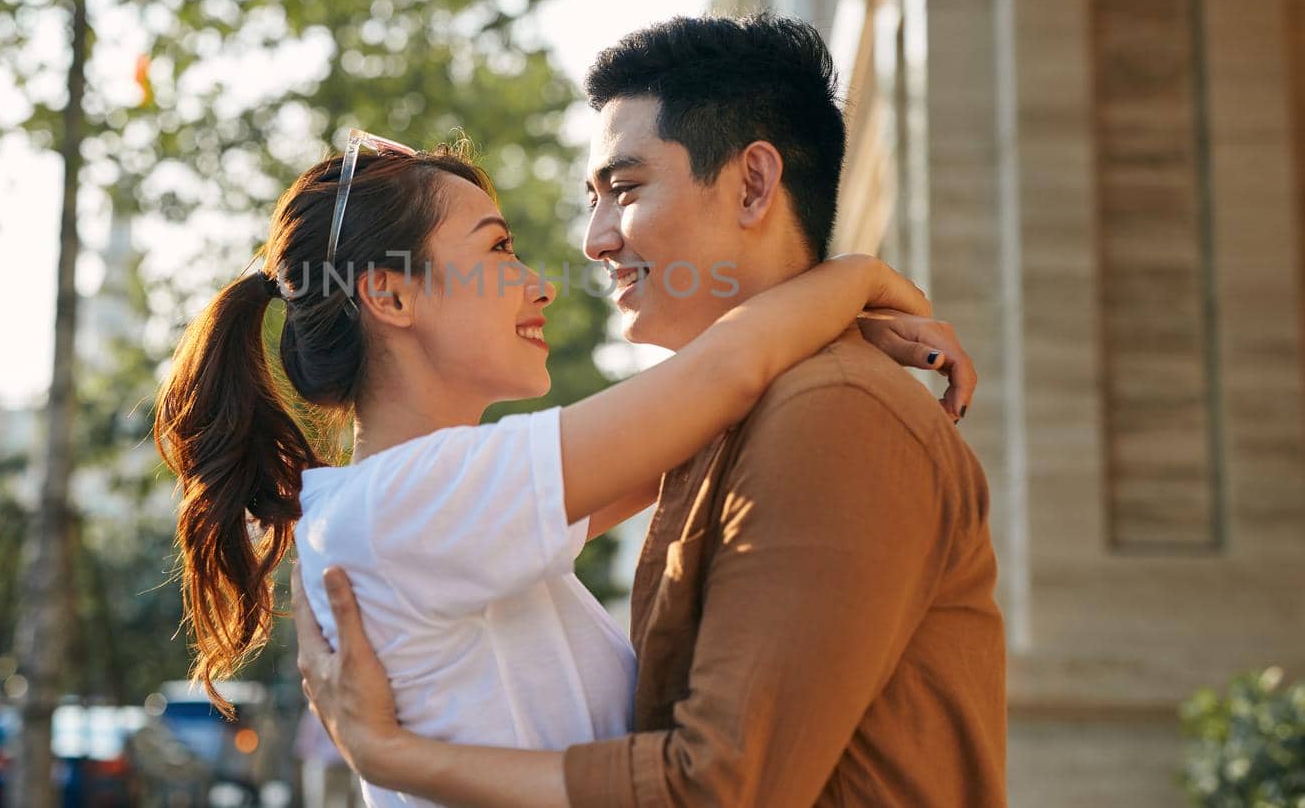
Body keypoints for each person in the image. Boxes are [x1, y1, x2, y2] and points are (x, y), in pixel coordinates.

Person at [156, 103, 965, 804]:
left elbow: (697, 430)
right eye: (498, 252)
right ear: (391, 295)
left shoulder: (422, 508)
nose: (540, 283)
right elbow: (725, 372)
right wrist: (856, 276)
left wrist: (838, 331)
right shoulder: (405, 506)